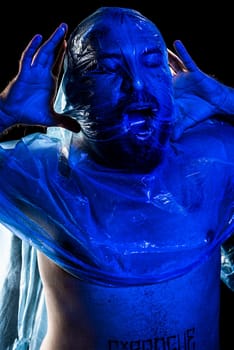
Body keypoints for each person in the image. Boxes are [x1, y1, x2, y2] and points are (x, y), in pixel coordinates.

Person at [0, 6, 233, 350]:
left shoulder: (212, 160)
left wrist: (227, 99)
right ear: (75, 94)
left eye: (153, 62)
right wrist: (4, 111)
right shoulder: (44, 177)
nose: (136, 84)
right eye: (106, 68)